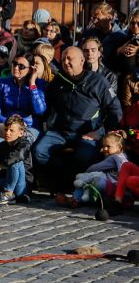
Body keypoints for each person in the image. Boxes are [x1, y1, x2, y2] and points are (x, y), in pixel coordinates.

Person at [34, 46, 123, 194]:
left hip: (87, 133)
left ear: (82, 60)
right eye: (63, 59)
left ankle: (73, 186)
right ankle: (64, 182)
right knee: (39, 151)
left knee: (83, 156)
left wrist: (100, 132)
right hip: (60, 131)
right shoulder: (57, 82)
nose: (66, 62)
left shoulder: (98, 82)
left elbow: (115, 111)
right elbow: (45, 107)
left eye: (70, 59)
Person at [60, 131, 128, 207]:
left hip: (111, 186)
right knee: (88, 182)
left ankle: (76, 199)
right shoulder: (122, 157)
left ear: (119, 147)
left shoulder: (114, 158)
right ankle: (76, 200)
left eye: (108, 146)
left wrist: (87, 172)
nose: (105, 149)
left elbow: (96, 167)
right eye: (103, 146)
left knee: (89, 180)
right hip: (114, 186)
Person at [0, 54, 46, 142]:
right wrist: (13, 123)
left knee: (23, 143)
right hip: (8, 126)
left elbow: (40, 111)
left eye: (21, 66)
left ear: (30, 69)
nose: (16, 68)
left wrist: (32, 84)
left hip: (29, 126)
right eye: (14, 64)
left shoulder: (39, 84)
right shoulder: (4, 83)